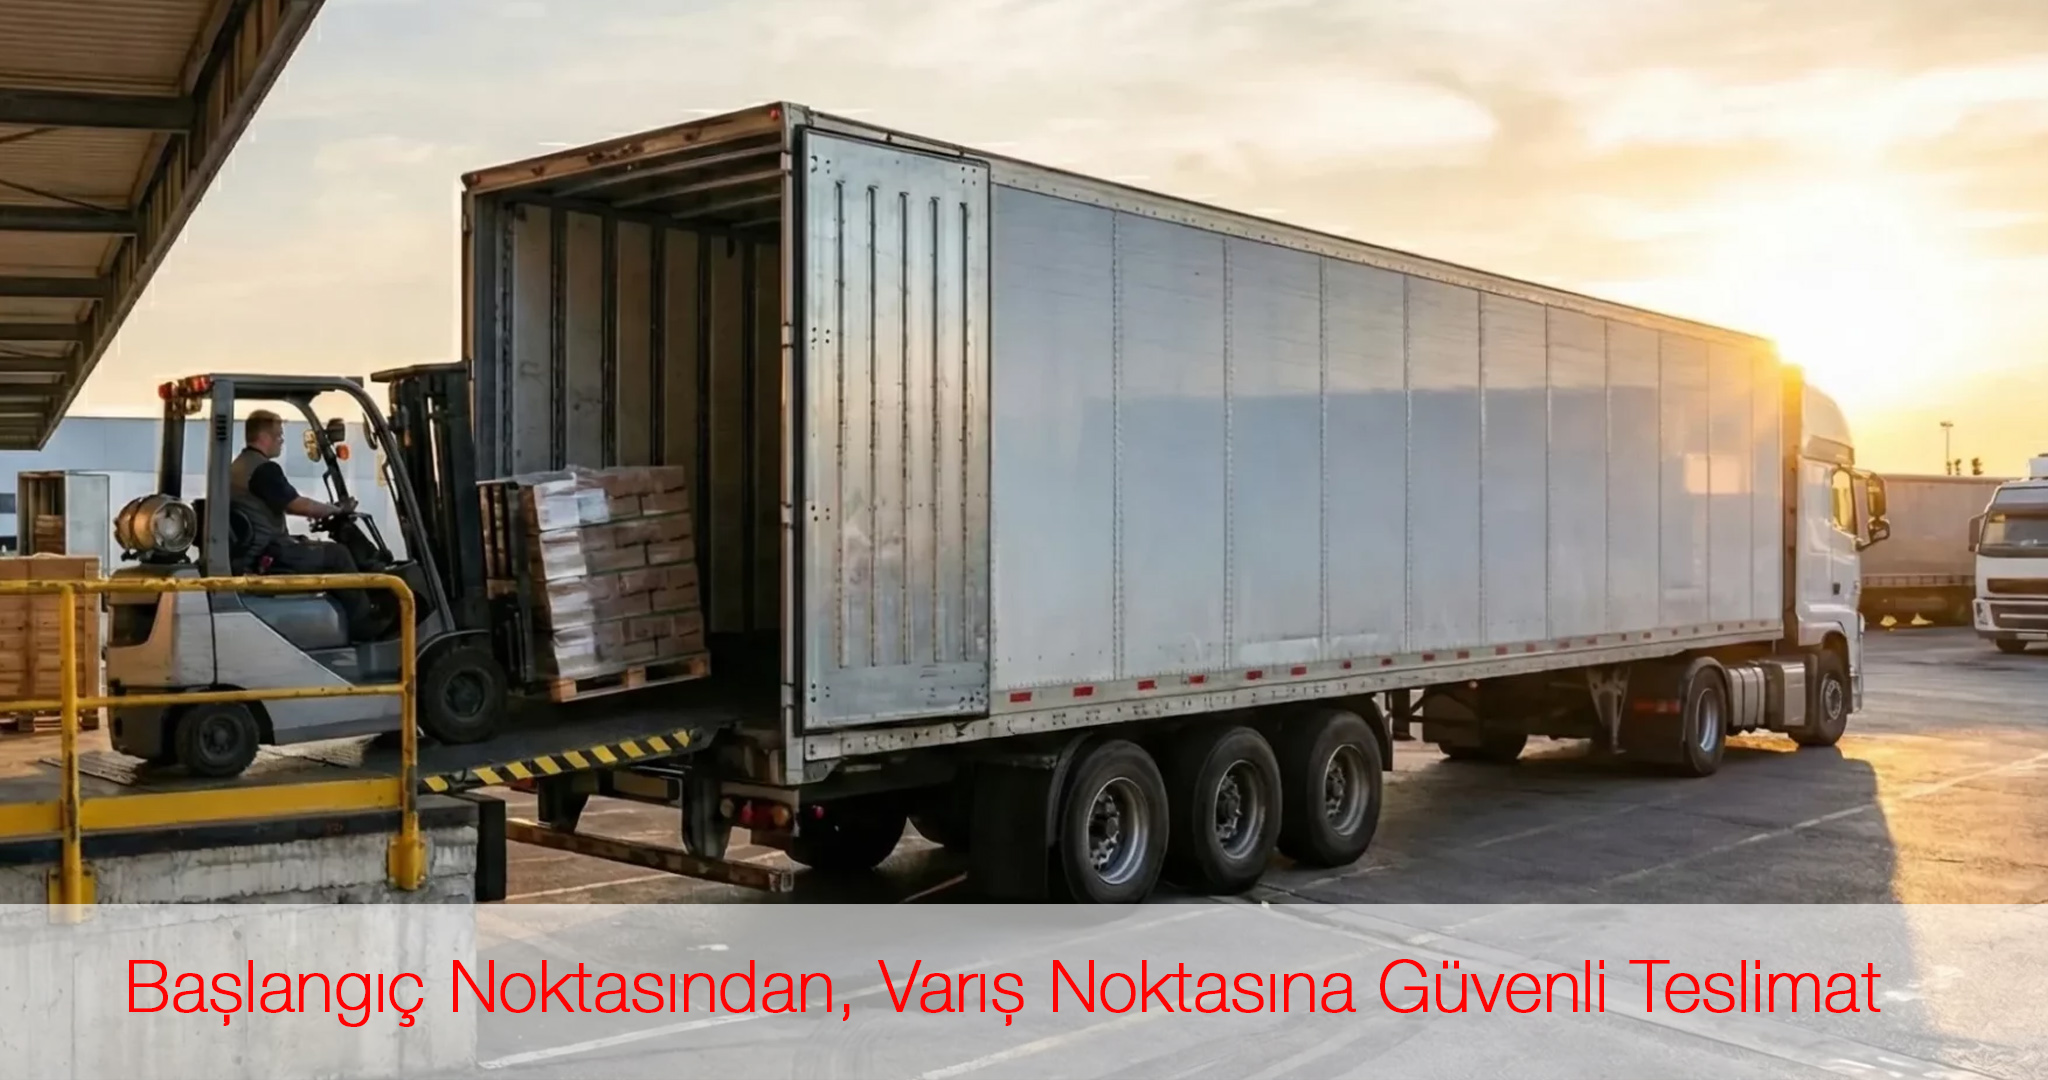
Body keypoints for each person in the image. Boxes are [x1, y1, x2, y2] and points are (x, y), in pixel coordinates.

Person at [230, 410, 387, 641]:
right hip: (268, 554)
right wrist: (337, 510)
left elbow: (285, 504)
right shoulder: (263, 469)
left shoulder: (240, 466)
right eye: (279, 435)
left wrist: (327, 511)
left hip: (258, 551)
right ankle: (364, 624)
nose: (282, 441)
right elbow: (296, 504)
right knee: (338, 555)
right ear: (264, 437)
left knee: (317, 549)